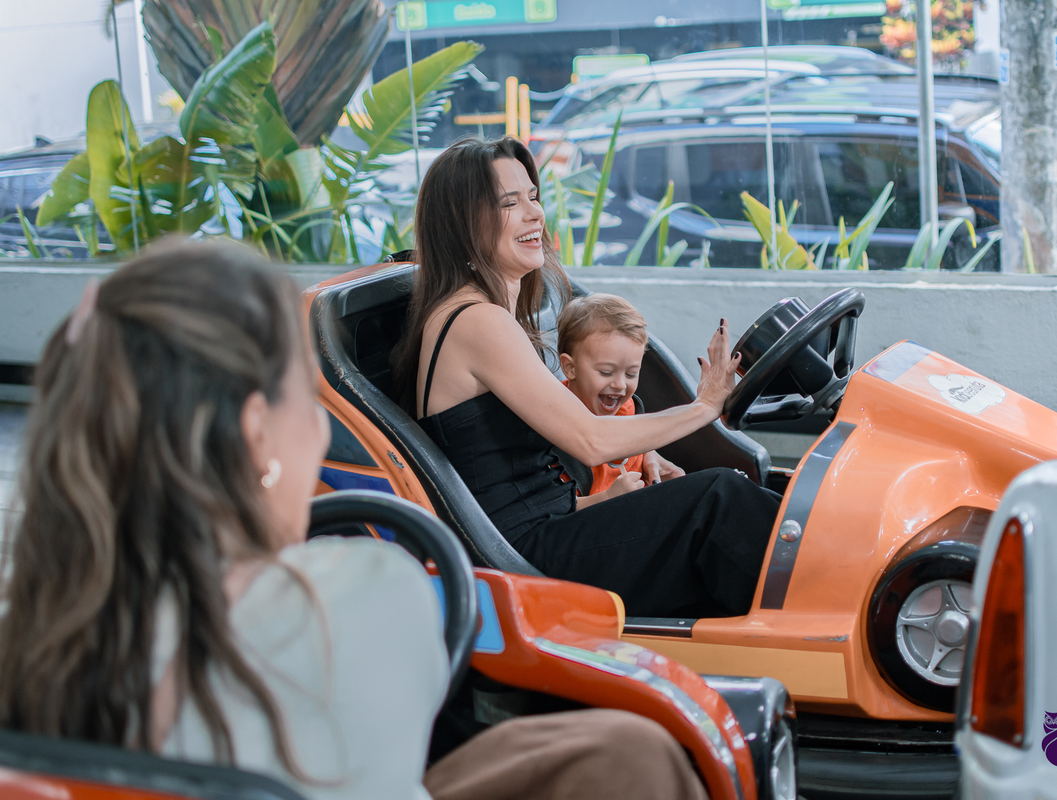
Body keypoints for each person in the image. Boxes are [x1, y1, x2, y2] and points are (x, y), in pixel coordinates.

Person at [0, 239, 705, 800]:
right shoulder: (366, 590)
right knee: (636, 755)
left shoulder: (33, 631)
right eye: (303, 398)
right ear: (256, 436)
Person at [391, 137, 781, 619]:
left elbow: (528, 482)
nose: (534, 214)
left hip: (550, 529)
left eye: (532, 197)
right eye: (509, 203)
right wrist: (705, 406)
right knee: (719, 498)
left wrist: (635, 472)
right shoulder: (476, 321)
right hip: (523, 560)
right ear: (463, 224)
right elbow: (591, 440)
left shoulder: (486, 314)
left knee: (735, 494)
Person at [557, 292, 685, 507]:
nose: (620, 385)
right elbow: (556, 506)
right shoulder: (554, 426)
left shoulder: (629, 407)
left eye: (631, 374)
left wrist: (648, 454)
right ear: (570, 367)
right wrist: (606, 498)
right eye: (606, 372)